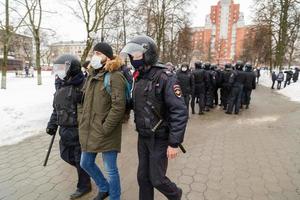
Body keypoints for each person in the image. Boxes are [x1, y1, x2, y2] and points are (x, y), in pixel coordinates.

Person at [120, 35, 188, 200]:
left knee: (157, 179)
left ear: (148, 54)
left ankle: (175, 194)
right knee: (143, 177)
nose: (133, 58)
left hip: (160, 137)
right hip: (143, 136)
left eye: (137, 54)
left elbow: (179, 111)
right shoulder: (139, 76)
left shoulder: (165, 77)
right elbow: (138, 103)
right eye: (132, 55)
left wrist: (174, 142)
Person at [79, 42, 126, 200]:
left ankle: (115, 197)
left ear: (108, 56)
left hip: (107, 131)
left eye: (99, 53)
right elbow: (83, 102)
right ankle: (104, 187)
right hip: (90, 129)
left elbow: (119, 107)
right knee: (85, 163)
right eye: (94, 53)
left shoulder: (115, 76)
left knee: (111, 170)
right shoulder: (91, 75)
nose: (95, 56)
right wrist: (82, 120)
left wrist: (105, 128)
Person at [46, 54, 91, 199]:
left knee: (79, 161)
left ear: (71, 68)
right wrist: (52, 124)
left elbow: (92, 109)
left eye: (62, 68)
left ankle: (84, 186)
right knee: (65, 156)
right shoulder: (60, 84)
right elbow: (56, 108)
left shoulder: (84, 85)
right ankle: (88, 171)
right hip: (64, 130)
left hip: (78, 130)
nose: (59, 72)